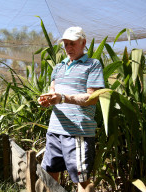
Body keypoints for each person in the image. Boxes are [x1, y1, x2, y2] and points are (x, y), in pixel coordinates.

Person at [37, 26, 105, 192]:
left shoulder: (93, 65)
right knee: (50, 173)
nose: (68, 48)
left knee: (82, 180)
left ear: (83, 43)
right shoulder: (58, 67)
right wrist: (46, 99)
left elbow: (92, 98)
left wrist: (63, 98)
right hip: (54, 130)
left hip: (77, 132)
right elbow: (53, 91)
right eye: (65, 44)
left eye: (72, 43)